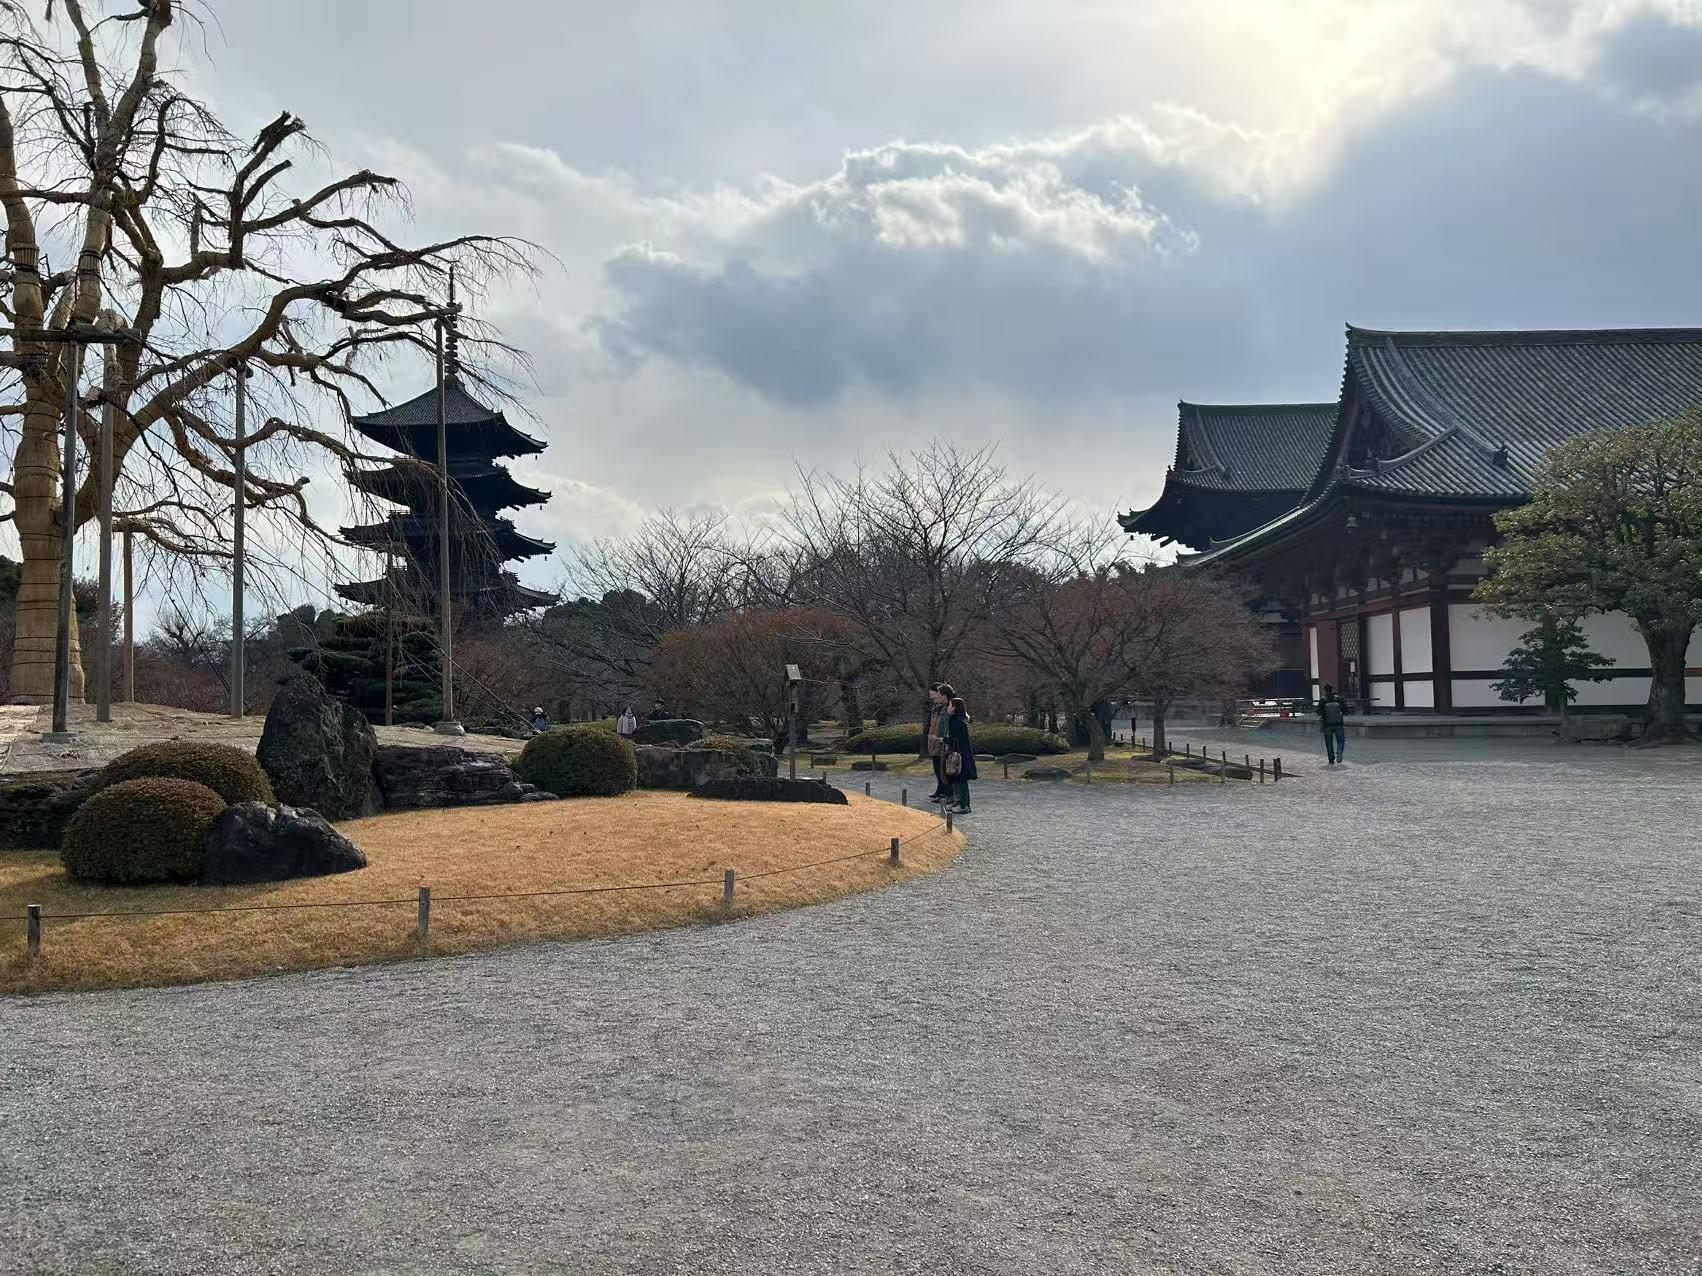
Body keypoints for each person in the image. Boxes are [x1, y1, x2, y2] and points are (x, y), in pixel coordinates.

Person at [944, 696, 977, 814]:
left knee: (961, 779)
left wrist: (941, 739)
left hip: (961, 754)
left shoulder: (958, 722)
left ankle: (964, 805)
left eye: (950, 705)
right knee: (954, 778)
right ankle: (957, 802)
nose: (948, 708)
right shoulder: (954, 720)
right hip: (956, 752)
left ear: (954, 708)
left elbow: (956, 740)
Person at [926, 684, 954, 803]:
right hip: (937, 740)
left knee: (944, 770)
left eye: (937, 692)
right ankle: (941, 791)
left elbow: (944, 727)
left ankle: (947, 793)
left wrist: (939, 739)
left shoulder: (947, 708)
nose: (934, 695)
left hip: (942, 742)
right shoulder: (938, 707)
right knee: (939, 770)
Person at [1317, 683, 1348, 766]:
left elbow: (1318, 712)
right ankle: (1339, 751)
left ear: (1325, 690)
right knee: (1341, 740)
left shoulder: (1323, 700)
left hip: (1327, 724)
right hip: (1338, 723)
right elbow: (1345, 710)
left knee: (1328, 742)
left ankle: (1331, 759)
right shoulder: (1338, 699)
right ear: (1332, 689)